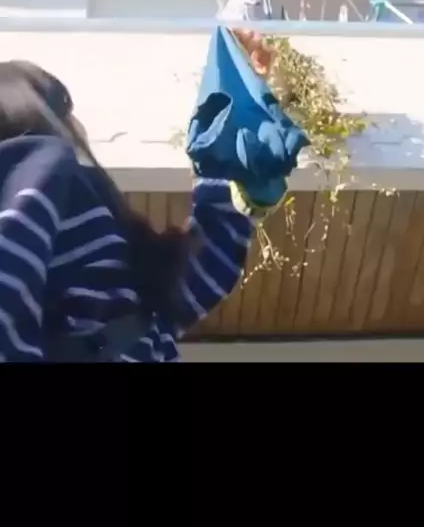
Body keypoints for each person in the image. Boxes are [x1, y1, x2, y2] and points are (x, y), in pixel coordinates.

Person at [0, 35, 278, 362]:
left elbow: (202, 267)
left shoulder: (99, 222)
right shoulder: (41, 163)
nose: (78, 122)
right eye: (66, 109)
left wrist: (239, 88)